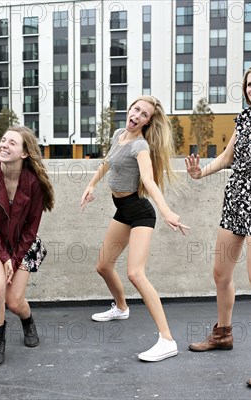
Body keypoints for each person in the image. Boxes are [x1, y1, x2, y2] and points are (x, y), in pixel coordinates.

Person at [185, 63, 251, 388]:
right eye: (249, 84)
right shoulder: (245, 117)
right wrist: (201, 172)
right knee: (220, 274)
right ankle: (223, 333)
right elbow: (228, 157)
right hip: (235, 199)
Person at [80, 95, 189, 362]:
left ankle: (167, 339)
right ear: (129, 109)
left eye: (144, 115)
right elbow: (107, 162)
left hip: (140, 213)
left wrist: (166, 212)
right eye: (136, 109)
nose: (137, 115)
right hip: (123, 212)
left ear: (147, 122)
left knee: (136, 274)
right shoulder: (119, 134)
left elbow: (149, 182)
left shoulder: (140, 146)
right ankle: (121, 307)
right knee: (103, 266)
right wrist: (92, 184)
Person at [0, 126, 55, 367]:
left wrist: (14, 258)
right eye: (3, 140)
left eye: (12, 143)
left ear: (24, 153)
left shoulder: (34, 183)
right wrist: (3, 256)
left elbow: (31, 228)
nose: (4, 145)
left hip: (23, 242)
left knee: (15, 302)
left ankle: (27, 321)